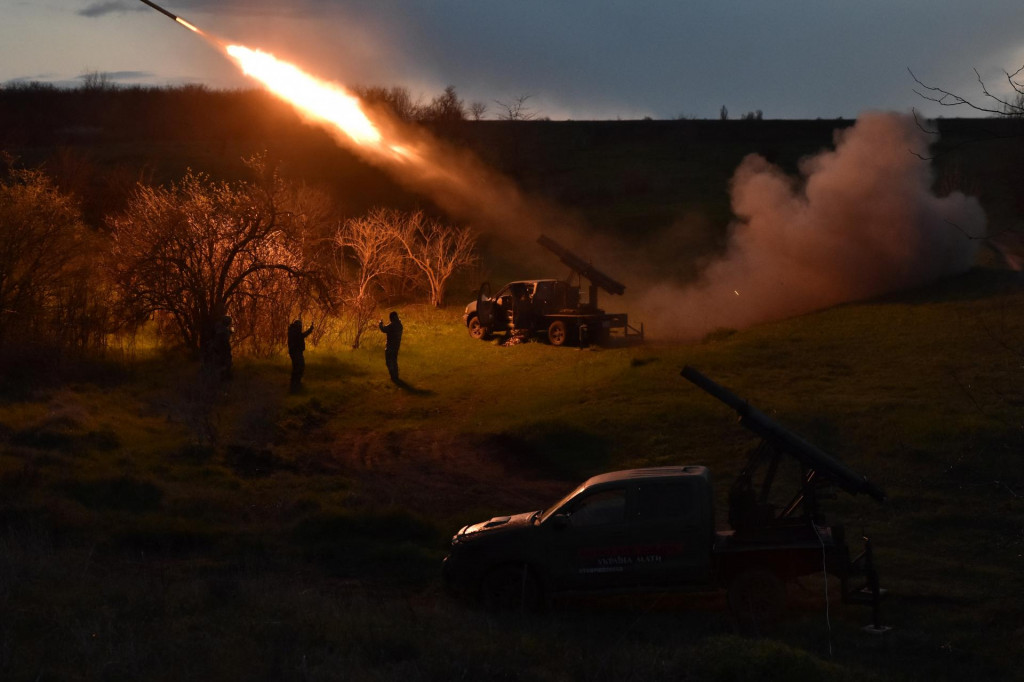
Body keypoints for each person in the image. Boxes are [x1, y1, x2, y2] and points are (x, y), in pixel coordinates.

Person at [287, 318, 314, 392]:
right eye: (300, 326)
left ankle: (294, 384)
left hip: (295, 352)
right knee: (299, 367)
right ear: (298, 326)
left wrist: (310, 330)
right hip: (296, 352)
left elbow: (302, 335)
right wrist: (310, 330)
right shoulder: (295, 332)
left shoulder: (292, 331)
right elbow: (302, 336)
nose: (301, 328)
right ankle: (295, 384)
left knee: (297, 367)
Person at [378, 311, 403, 383]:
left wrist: (380, 323)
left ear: (392, 318)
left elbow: (383, 329)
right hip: (396, 346)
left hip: (390, 347)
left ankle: (393, 377)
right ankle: (396, 376)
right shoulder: (400, 325)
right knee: (394, 361)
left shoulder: (392, 325)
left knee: (389, 362)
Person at [213, 315, 233, 380]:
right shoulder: (223, 330)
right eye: (229, 322)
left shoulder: (218, 326)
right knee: (226, 363)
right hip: (223, 349)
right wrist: (229, 333)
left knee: (221, 363)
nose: (229, 323)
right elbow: (225, 339)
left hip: (217, 348)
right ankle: (224, 377)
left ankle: (221, 376)